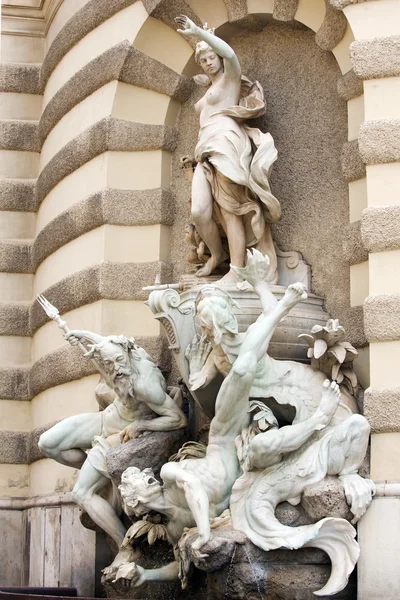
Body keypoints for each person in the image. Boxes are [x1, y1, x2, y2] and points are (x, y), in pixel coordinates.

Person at [105, 264, 308, 586]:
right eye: (133, 493)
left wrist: (202, 532)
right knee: (241, 366)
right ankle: (278, 308)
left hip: (223, 438)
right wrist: (147, 574)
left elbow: (196, 488)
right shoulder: (174, 528)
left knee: (242, 368)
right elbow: (180, 564)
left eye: (134, 487)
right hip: (242, 468)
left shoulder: (170, 476)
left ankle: (283, 305)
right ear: (137, 504)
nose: (135, 495)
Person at [38, 332, 187, 571]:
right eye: (109, 363)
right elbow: (108, 346)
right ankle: (104, 482)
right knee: (47, 443)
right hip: (105, 419)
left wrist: (141, 425)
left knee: (81, 492)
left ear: (126, 354)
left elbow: (178, 419)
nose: (114, 369)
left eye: (117, 361)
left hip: (116, 437)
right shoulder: (125, 353)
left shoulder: (145, 385)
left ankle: (126, 547)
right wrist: (83, 338)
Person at [176, 15, 281, 284]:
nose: (208, 61)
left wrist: (199, 33)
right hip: (204, 151)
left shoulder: (230, 79)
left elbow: (231, 54)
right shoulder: (210, 87)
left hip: (226, 144)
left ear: (219, 57)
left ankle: (237, 270)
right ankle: (218, 254)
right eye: (203, 59)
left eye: (211, 56)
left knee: (231, 209)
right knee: (200, 212)